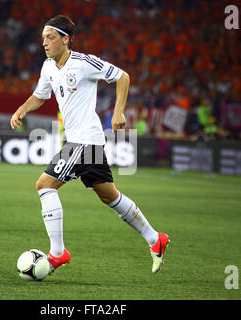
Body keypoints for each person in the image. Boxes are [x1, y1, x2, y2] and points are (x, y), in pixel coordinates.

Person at [10, 15, 170, 274]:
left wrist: (119, 112)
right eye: (42, 38)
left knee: (44, 185)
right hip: (83, 142)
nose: (45, 43)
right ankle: (155, 239)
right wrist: (22, 109)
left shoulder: (84, 63)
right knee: (109, 195)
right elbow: (40, 95)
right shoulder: (48, 67)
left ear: (65, 39)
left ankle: (57, 253)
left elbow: (123, 77)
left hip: (84, 141)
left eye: (50, 37)